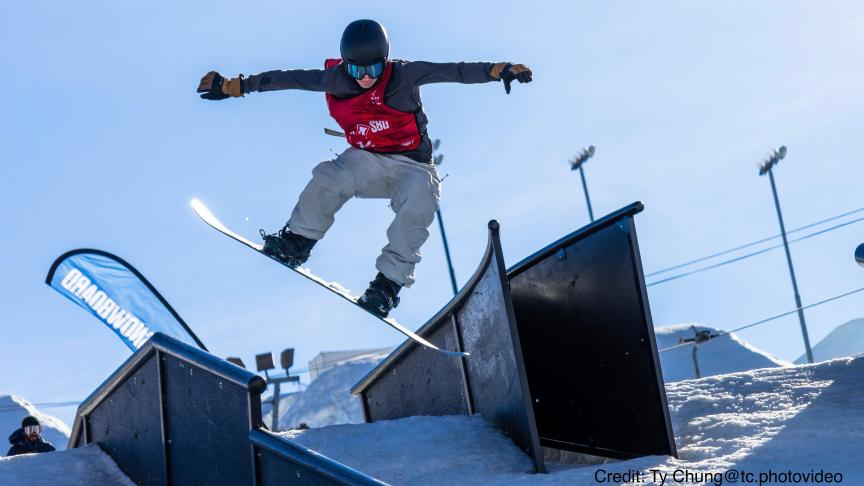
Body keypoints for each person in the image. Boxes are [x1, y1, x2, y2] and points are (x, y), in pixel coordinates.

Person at [198, 19, 532, 317]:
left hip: (413, 166)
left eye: (374, 68)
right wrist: (234, 86)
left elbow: (454, 71)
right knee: (330, 175)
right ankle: (297, 241)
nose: (367, 78)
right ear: (346, 66)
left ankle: (387, 285)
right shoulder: (335, 80)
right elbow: (288, 79)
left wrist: (496, 70)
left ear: (385, 62)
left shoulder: (404, 75)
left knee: (421, 198)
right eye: (357, 71)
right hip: (366, 160)